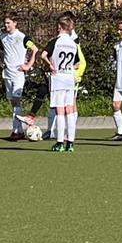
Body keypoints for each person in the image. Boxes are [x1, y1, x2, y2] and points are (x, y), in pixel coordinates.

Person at [42, 13, 81, 153]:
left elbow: (43, 55)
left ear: (59, 26)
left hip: (58, 79)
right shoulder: (73, 43)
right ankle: (70, 143)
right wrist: (69, 67)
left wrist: (50, 65)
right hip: (69, 78)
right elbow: (77, 63)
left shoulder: (55, 41)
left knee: (60, 110)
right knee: (69, 110)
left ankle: (59, 142)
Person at [0, 15, 36, 140]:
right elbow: (2, 51)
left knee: (16, 99)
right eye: (5, 23)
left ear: (15, 23)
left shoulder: (22, 37)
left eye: (8, 23)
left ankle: (17, 130)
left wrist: (28, 65)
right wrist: (2, 61)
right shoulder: (3, 37)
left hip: (18, 74)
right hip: (7, 74)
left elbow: (35, 49)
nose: (6, 25)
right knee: (13, 102)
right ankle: (18, 130)